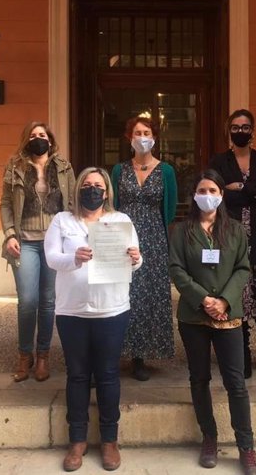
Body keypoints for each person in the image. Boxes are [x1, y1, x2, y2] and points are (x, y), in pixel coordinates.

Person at [44, 167, 142, 472]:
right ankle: (77, 440)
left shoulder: (120, 221)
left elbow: (136, 263)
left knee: (109, 374)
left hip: (111, 309)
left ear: (107, 191)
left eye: (98, 185)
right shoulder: (62, 220)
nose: (92, 190)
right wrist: (74, 259)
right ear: (78, 190)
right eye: (87, 185)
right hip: (72, 311)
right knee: (77, 375)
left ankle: (110, 440)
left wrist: (136, 259)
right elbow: (51, 258)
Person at [169, 169, 256, 475]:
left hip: (228, 316)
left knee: (236, 383)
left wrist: (223, 301)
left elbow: (242, 268)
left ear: (221, 195)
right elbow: (177, 269)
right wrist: (203, 299)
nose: (207, 195)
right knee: (199, 379)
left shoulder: (234, 230)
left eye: (212, 190)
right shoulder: (181, 231)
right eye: (202, 190)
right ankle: (209, 437)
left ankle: (246, 447)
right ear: (194, 195)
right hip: (193, 317)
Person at [209, 109, 256, 378]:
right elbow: (218, 196)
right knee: (236, 301)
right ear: (228, 130)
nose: (240, 131)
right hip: (232, 243)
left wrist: (239, 187)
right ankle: (242, 354)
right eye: (236, 127)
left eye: (245, 127)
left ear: (253, 130)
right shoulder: (219, 161)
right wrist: (255, 187)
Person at [0, 121, 75, 383]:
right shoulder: (15, 167)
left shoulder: (64, 167)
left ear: (50, 140)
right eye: (33, 135)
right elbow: (6, 204)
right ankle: (24, 355)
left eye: (42, 135)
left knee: (48, 302)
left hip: (54, 242)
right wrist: (9, 234)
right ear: (26, 140)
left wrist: (72, 239)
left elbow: (73, 203)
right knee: (28, 301)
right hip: (25, 241)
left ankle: (42, 355)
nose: (38, 139)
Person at [111, 116, 177, 381]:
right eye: (137, 132)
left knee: (149, 296)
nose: (141, 137)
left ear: (154, 137)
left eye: (146, 132)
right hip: (123, 237)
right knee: (123, 293)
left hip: (153, 238)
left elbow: (170, 209)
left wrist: (156, 234)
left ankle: (141, 355)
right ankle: (119, 349)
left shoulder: (167, 171)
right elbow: (112, 203)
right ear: (130, 138)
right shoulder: (119, 170)